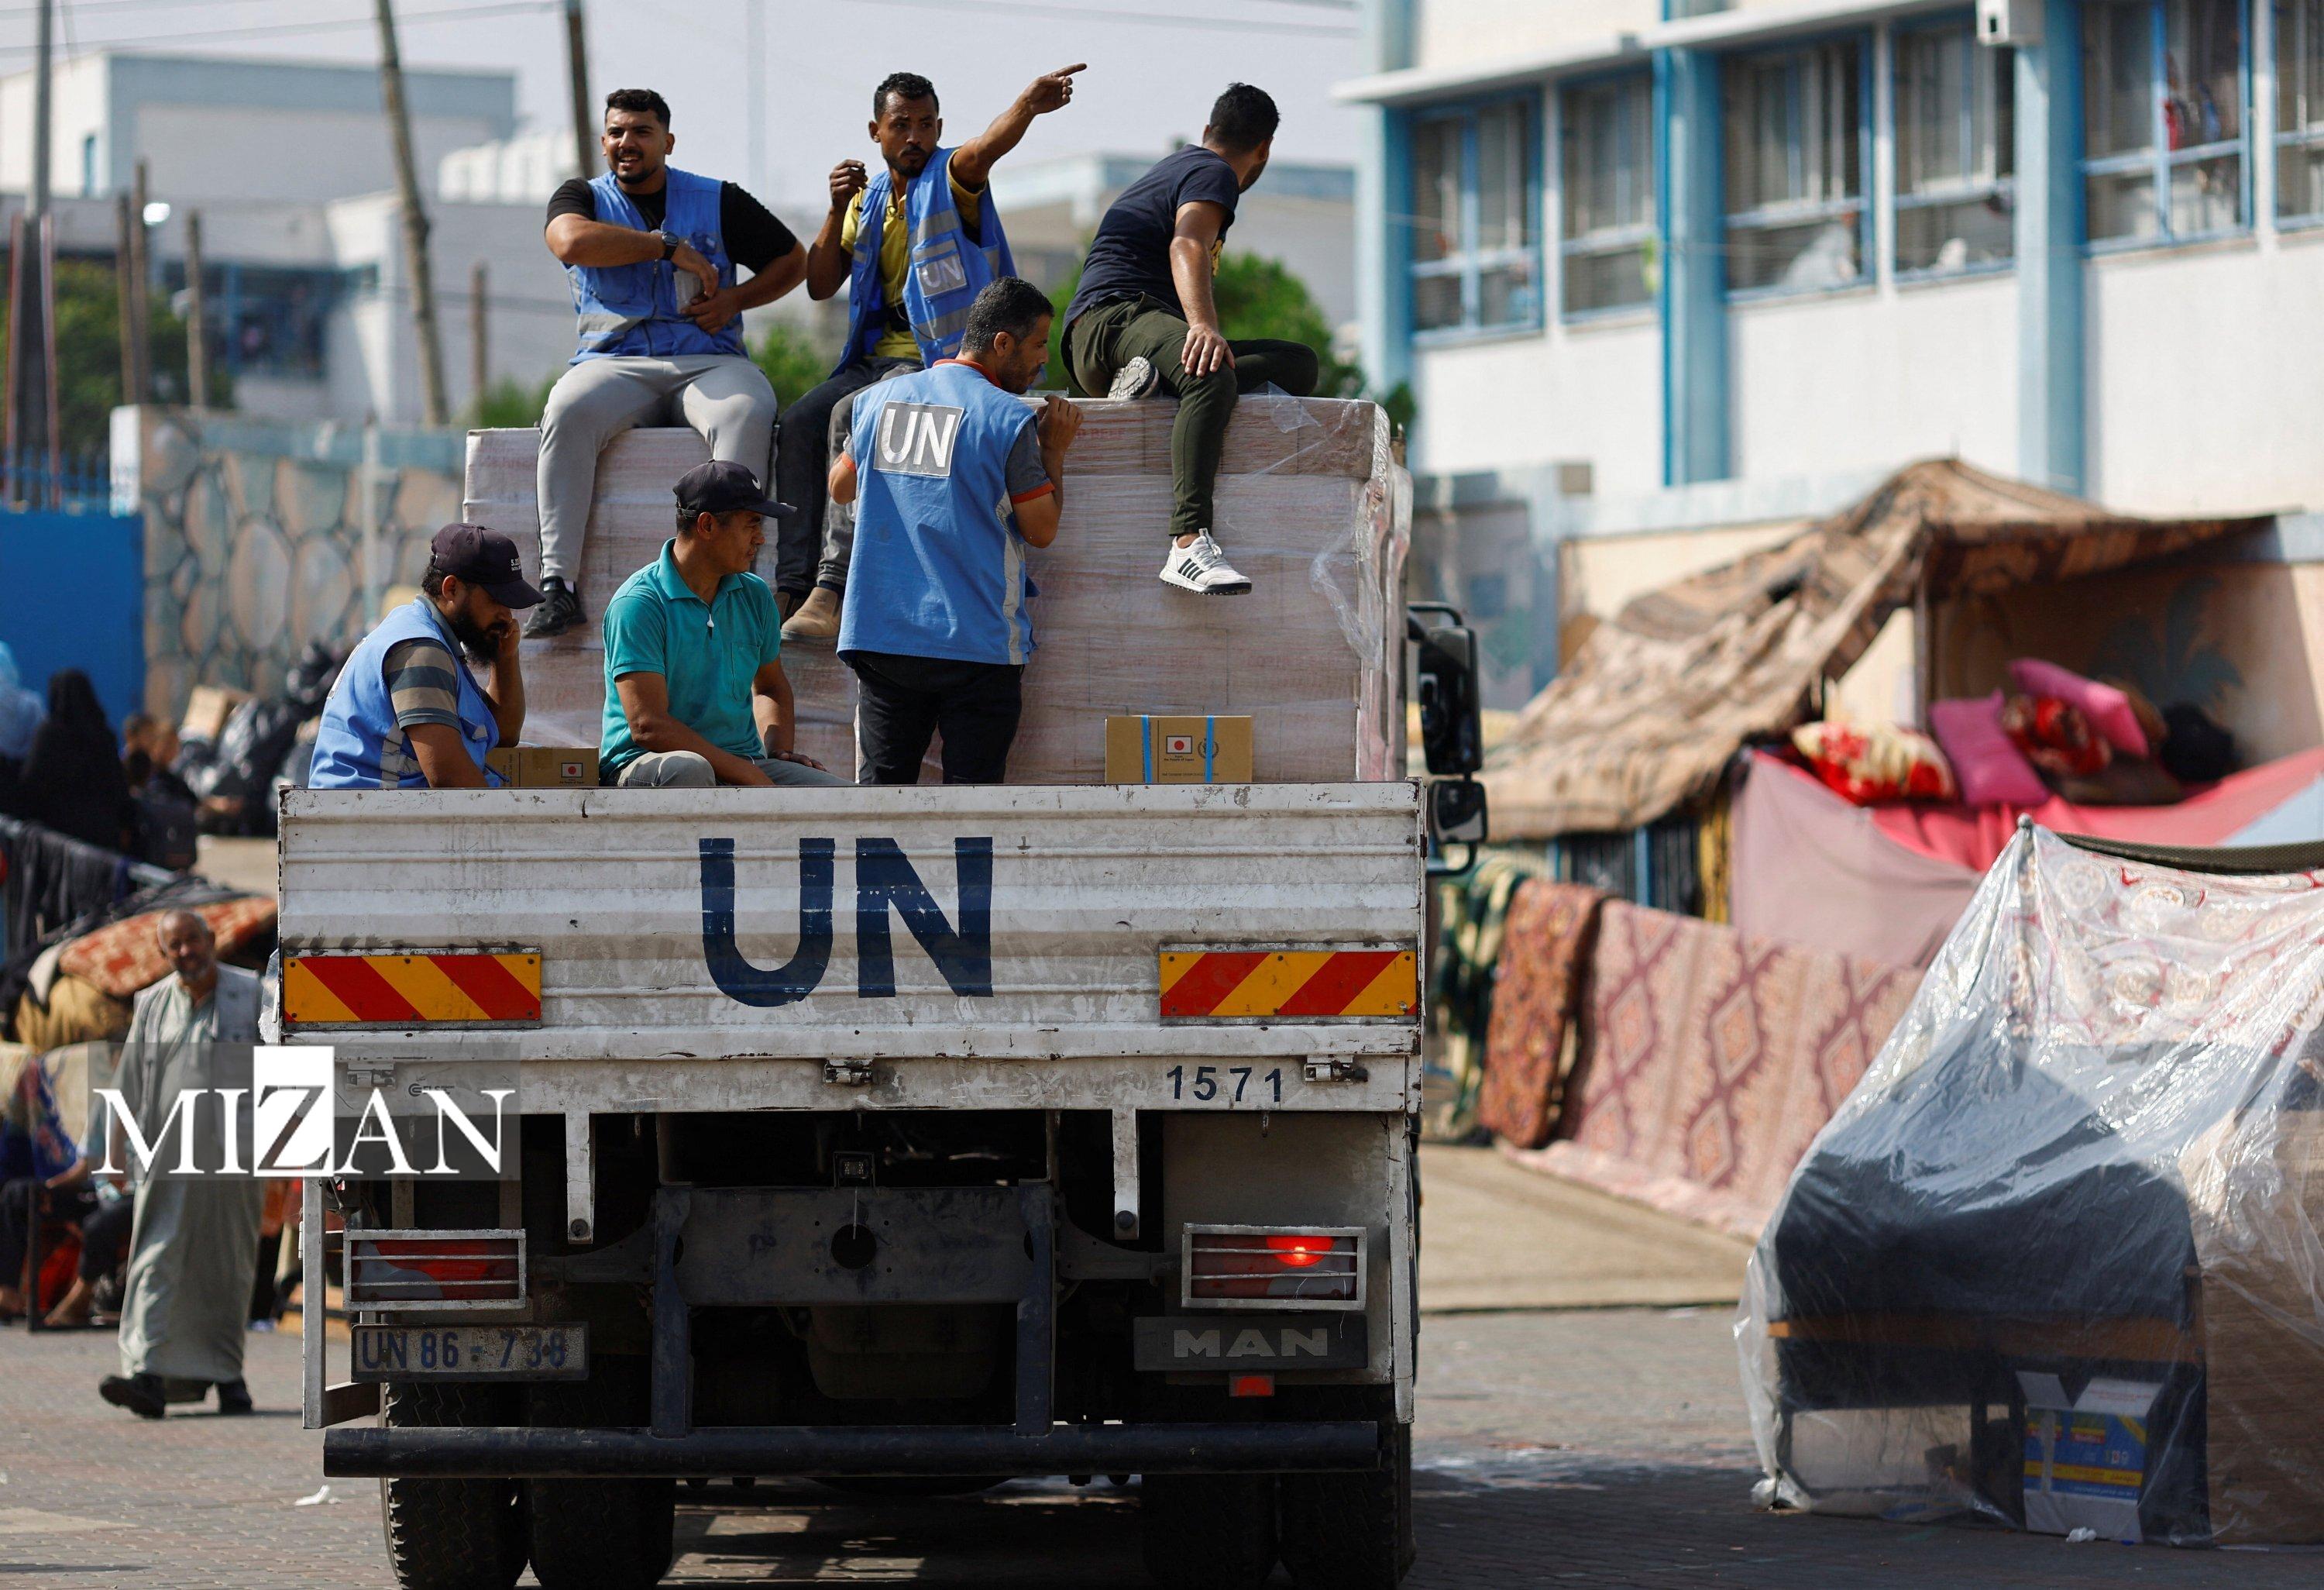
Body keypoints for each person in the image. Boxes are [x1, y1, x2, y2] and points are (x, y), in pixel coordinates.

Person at [775, 64, 1082, 644]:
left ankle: (832, 587)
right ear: (876, 131)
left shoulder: (952, 177)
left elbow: (986, 148)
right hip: (872, 358)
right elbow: (819, 284)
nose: (914, 137)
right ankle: (790, 587)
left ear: (939, 127)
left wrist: (1027, 104)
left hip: (940, 360)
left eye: (925, 125)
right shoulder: (865, 203)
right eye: (901, 125)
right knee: (799, 421)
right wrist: (834, 207)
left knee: (852, 418)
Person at [529, 88, 811, 638]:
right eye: (615, 133)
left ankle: (733, 585)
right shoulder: (581, 196)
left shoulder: (718, 199)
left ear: (667, 140)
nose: (626, 143)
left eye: (641, 131)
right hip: (615, 362)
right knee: (565, 408)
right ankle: (558, 586)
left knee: (747, 410)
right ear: (603, 142)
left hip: (707, 360)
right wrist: (664, 247)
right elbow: (568, 242)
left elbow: (792, 261)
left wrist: (735, 299)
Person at [1060, 84, 1319, 597]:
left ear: (1208, 131)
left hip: (1124, 331)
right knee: (1210, 369)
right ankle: (1187, 543)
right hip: (1111, 320)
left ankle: (1153, 386)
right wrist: (1202, 325)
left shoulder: (1180, 164)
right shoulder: (1214, 172)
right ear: (1263, 151)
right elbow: (1188, 242)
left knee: (1297, 363)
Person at [827, 277, 1081, 785]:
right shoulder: (1009, 418)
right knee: (972, 813)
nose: (1041, 363)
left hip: (883, 637)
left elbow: (840, 486)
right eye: (1036, 347)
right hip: (976, 643)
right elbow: (1042, 529)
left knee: (881, 806)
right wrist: (1054, 451)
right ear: (1001, 343)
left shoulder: (879, 400)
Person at [100, 910, 265, 1419]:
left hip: (236, 1154)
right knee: (156, 1258)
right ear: (166, 954)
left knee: (228, 1263)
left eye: (193, 940)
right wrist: (113, 1154)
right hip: (166, 1153)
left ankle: (227, 1377)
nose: (187, 952)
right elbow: (127, 1081)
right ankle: (145, 1373)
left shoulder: (255, 994)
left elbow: (283, 1072)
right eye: (176, 946)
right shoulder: (152, 1005)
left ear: (211, 940)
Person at [600, 461, 849, 789]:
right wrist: (747, 774)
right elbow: (649, 726)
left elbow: (771, 687)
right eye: (752, 524)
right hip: (643, 763)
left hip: (742, 762)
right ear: (706, 525)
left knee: (837, 796)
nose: (760, 539)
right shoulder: (638, 604)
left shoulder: (755, 594)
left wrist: (779, 752)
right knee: (690, 770)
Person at [308, 525, 539, 790]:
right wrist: (509, 828)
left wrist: (505, 657)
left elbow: (505, 734)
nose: (506, 616)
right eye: (497, 599)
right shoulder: (421, 651)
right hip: (373, 822)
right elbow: (450, 779)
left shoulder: (430, 637)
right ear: (451, 589)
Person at [0, 1051, 125, 1327]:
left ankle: (79, 1300)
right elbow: (87, 1164)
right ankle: (7, 1293)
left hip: (136, 1197)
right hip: (99, 1192)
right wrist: (50, 1188)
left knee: (100, 1224)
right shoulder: (107, 1104)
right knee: (18, 1194)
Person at [15, 670, 137, 852]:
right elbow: (118, 787)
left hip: (60, 841)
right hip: (103, 838)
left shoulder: (50, 736)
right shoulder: (103, 736)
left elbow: (32, 784)